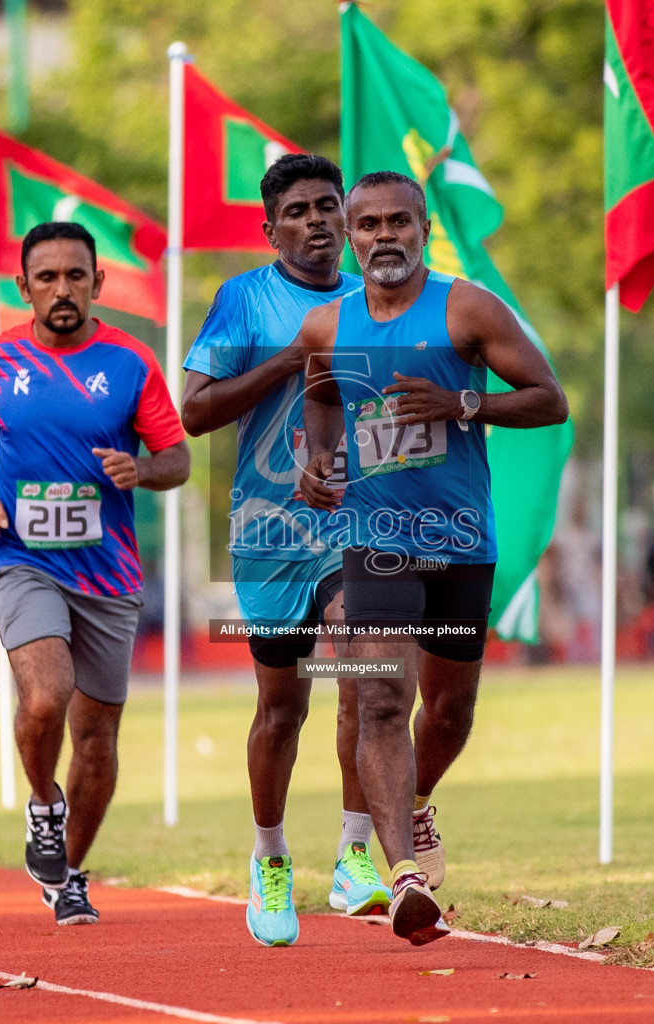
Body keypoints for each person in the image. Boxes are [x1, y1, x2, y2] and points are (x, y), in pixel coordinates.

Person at [298, 171, 568, 945]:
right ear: (349, 237)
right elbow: (319, 394)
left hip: (458, 543)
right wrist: (321, 463)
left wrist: (463, 405)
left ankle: (414, 805)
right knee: (381, 698)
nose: (384, 236)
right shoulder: (327, 326)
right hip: (374, 541)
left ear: (422, 229)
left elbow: (550, 398)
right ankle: (404, 879)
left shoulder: (466, 308)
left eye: (398, 223)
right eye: (368, 225)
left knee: (448, 714)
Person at [0, 221, 190, 926]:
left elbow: (176, 458)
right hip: (21, 559)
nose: (61, 289)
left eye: (75, 276)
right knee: (46, 697)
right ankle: (43, 804)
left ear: (97, 283)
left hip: (108, 574)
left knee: (98, 738)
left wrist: (140, 468)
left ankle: (71, 872)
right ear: (23, 287)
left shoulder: (130, 362)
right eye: (46, 277)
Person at [180, 153, 391, 948]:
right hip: (269, 533)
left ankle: (354, 855)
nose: (315, 220)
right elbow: (194, 413)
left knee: (369, 679)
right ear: (270, 229)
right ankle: (270, 857)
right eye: (296, 210)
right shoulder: (241, 301)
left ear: (345, 216)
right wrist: (294, 355)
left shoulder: (381, 297)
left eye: (326, 206)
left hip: (362, 521)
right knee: (284, 707)